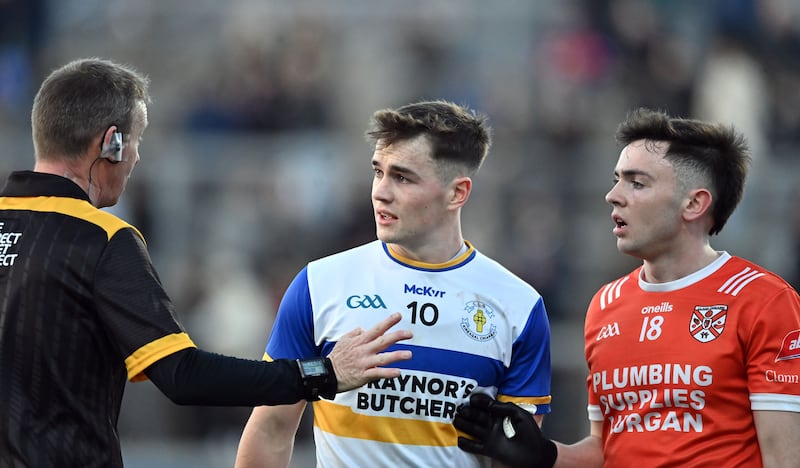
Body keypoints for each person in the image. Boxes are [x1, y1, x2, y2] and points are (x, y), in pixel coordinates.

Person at [0, 57, 414, 467]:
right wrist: (320, 373)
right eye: (137, 141)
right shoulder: (103, 239)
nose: (138, 159)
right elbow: (184, 376)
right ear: (112, 143)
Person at [453, 107, 800, 467]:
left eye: (637, 183)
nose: (613, 195)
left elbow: (784, 457)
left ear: (694, 203)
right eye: (617, 179)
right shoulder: (606, 304)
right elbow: (606, 450)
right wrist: (544, 453)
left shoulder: (763, 300)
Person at [234, 100, 553, 467]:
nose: (380, 192)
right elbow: (272, 428)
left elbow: (518, 454)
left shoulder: (518, 307)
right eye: (378, 172)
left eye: (402, 177)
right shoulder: (319, 284)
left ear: (457, 193)